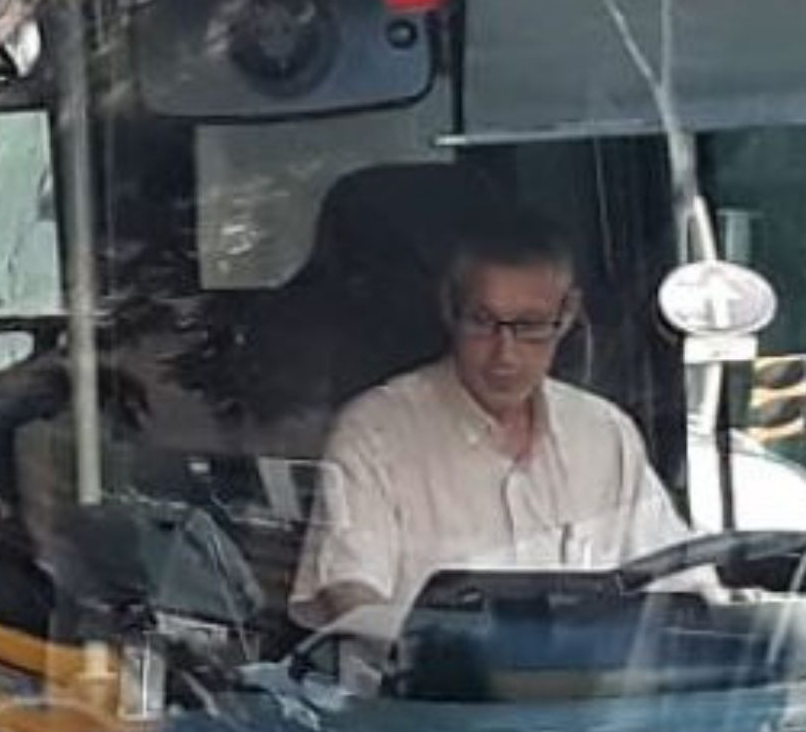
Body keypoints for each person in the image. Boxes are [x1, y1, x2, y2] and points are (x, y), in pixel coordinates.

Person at [290, 205, 686, 633]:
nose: (505, 355)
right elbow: (352, 597)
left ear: (567, 314)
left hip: (593, 694)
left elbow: (679, 584)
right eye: (483, 322)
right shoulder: (375, 435)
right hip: (429, 696)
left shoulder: (605, 435)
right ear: (450, 308)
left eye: (530, 326)